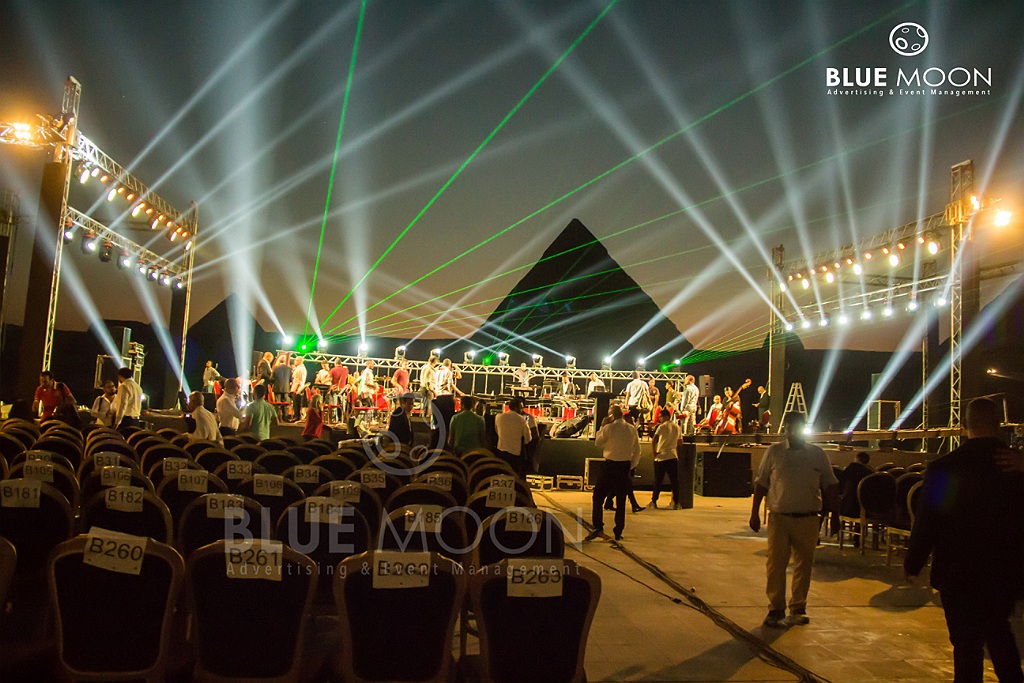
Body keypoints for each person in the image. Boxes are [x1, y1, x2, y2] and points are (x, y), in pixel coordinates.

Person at [905, 398, 1024, 683]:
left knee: (965, 643)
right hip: (1003, 570)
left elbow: (929, 520)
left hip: (957, 571)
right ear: (999, 425)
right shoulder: (1015, 467)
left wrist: (913, 562)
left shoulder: (945, 467)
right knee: (1000, 634)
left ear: (963, 426)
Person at [750, 411, 839, 628]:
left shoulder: (817, 454)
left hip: (808, 518)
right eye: (788, 427)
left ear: (803, 428)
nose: (792, 431)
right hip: (780, 517)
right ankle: (776, 608)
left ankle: (798, 607)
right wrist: (754, 513)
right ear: (785, 429)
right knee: (776, 564)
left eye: (796, 427)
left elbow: (830, 486)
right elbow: (762, 483)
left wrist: (835, 516)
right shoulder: (774, 452)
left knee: (804, 564)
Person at [589, 405, 641, 541]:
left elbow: (598, 442)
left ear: (611, 416)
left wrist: (601, 426)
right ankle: (618, 530)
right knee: (621, 500)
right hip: (624, 465)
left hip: (610, 465)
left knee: (598, 496)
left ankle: (598, 526)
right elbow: (637, 450)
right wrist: (631, 466)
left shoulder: (608, 428)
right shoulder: (631, 429)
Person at [649, 410, 681, 509]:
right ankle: (676, 502)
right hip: (672, 456)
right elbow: (680, 442)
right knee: (674, 481)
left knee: (658, 480)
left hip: (661, 457)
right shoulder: (677, 427)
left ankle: (654, 501)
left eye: (661, 416)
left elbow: (654, 440)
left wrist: (654, 453)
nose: (659, 419)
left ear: (666, 416)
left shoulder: (661, 427)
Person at [494, 397, 532, 477]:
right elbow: (528, 439)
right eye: (521, 407)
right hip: (515, 454)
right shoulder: (522, 420)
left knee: (502, 475)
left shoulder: (498, 417)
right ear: (516, 407)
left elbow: (497, 431)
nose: (522, 410)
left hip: (501, 451)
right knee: (514, 476)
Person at [837, 452, 873, 517]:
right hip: (868, 508)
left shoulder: (852, 468)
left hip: (850, 506)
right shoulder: (872, 473)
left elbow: (840, 480)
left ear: (857, 459)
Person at [113, 367, 143, 435]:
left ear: (120, 376)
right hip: (136, 420)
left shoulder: (123, 386)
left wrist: (117, 422)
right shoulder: (138, 387)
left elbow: (122, 405)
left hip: (126, 420)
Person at [271, 354, 292, 420]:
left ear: (279, 360)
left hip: (277, 388)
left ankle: (278, 418)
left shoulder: (275, 368)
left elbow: (271, 378)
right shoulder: (289, 369)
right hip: (286, 388)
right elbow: (291, 379)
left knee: (278, 405)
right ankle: (285, 417)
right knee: (285, 404)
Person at [290, 356, 308, 422]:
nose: (295, 361)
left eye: (296, 360)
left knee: (296, 404)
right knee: (295, 403)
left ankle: (296, 417)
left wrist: (296, 389)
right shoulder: (298, 368)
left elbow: (299, 380)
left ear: (300, 361)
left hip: (297, 389)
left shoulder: (300, 369)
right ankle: (296, 416)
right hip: (296, 387)